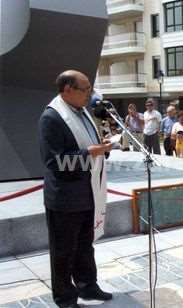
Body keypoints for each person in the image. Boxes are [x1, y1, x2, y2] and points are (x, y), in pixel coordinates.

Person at [38, 70, 113, 308]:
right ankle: (65, 297)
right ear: (67, 90)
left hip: (88, 192)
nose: (89, 95)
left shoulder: (83, 113)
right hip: (65, 198)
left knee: (84, 246)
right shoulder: (52, 118)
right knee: (63, 251)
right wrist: (90, 153)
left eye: (90, 88)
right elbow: (56, 162)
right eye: (85, 90)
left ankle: (87, 285)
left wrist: (104, 148)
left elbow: (92, 144)